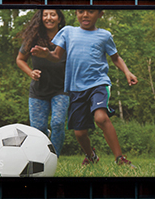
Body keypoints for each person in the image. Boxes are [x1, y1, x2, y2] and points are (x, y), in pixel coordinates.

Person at [31, 9, 138, 167]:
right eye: (81, 11)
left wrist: (127, 72)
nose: (85, 15)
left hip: (98, 83)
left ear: (100, 14)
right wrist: (47, 55)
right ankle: (91, 156)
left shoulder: (105, 35)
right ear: (76, 13)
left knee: (101, 118)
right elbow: (56, 56)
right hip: (75, 88)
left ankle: (120, 158)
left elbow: (115, 57)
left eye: (91, 11)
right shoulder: (68, 32)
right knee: (80, 133)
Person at [16, 9, 70, 156]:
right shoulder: (33, 38)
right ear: (40, 18)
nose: (48, 18)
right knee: (38, 128)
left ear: (59, 18)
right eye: (45, 15)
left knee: (58, 123)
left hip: (61, 88)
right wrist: (30, 72)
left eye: (52, 14)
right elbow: (20, 59)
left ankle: (54, 156)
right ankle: (41, 155)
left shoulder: (67, 37)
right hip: (39, 90)